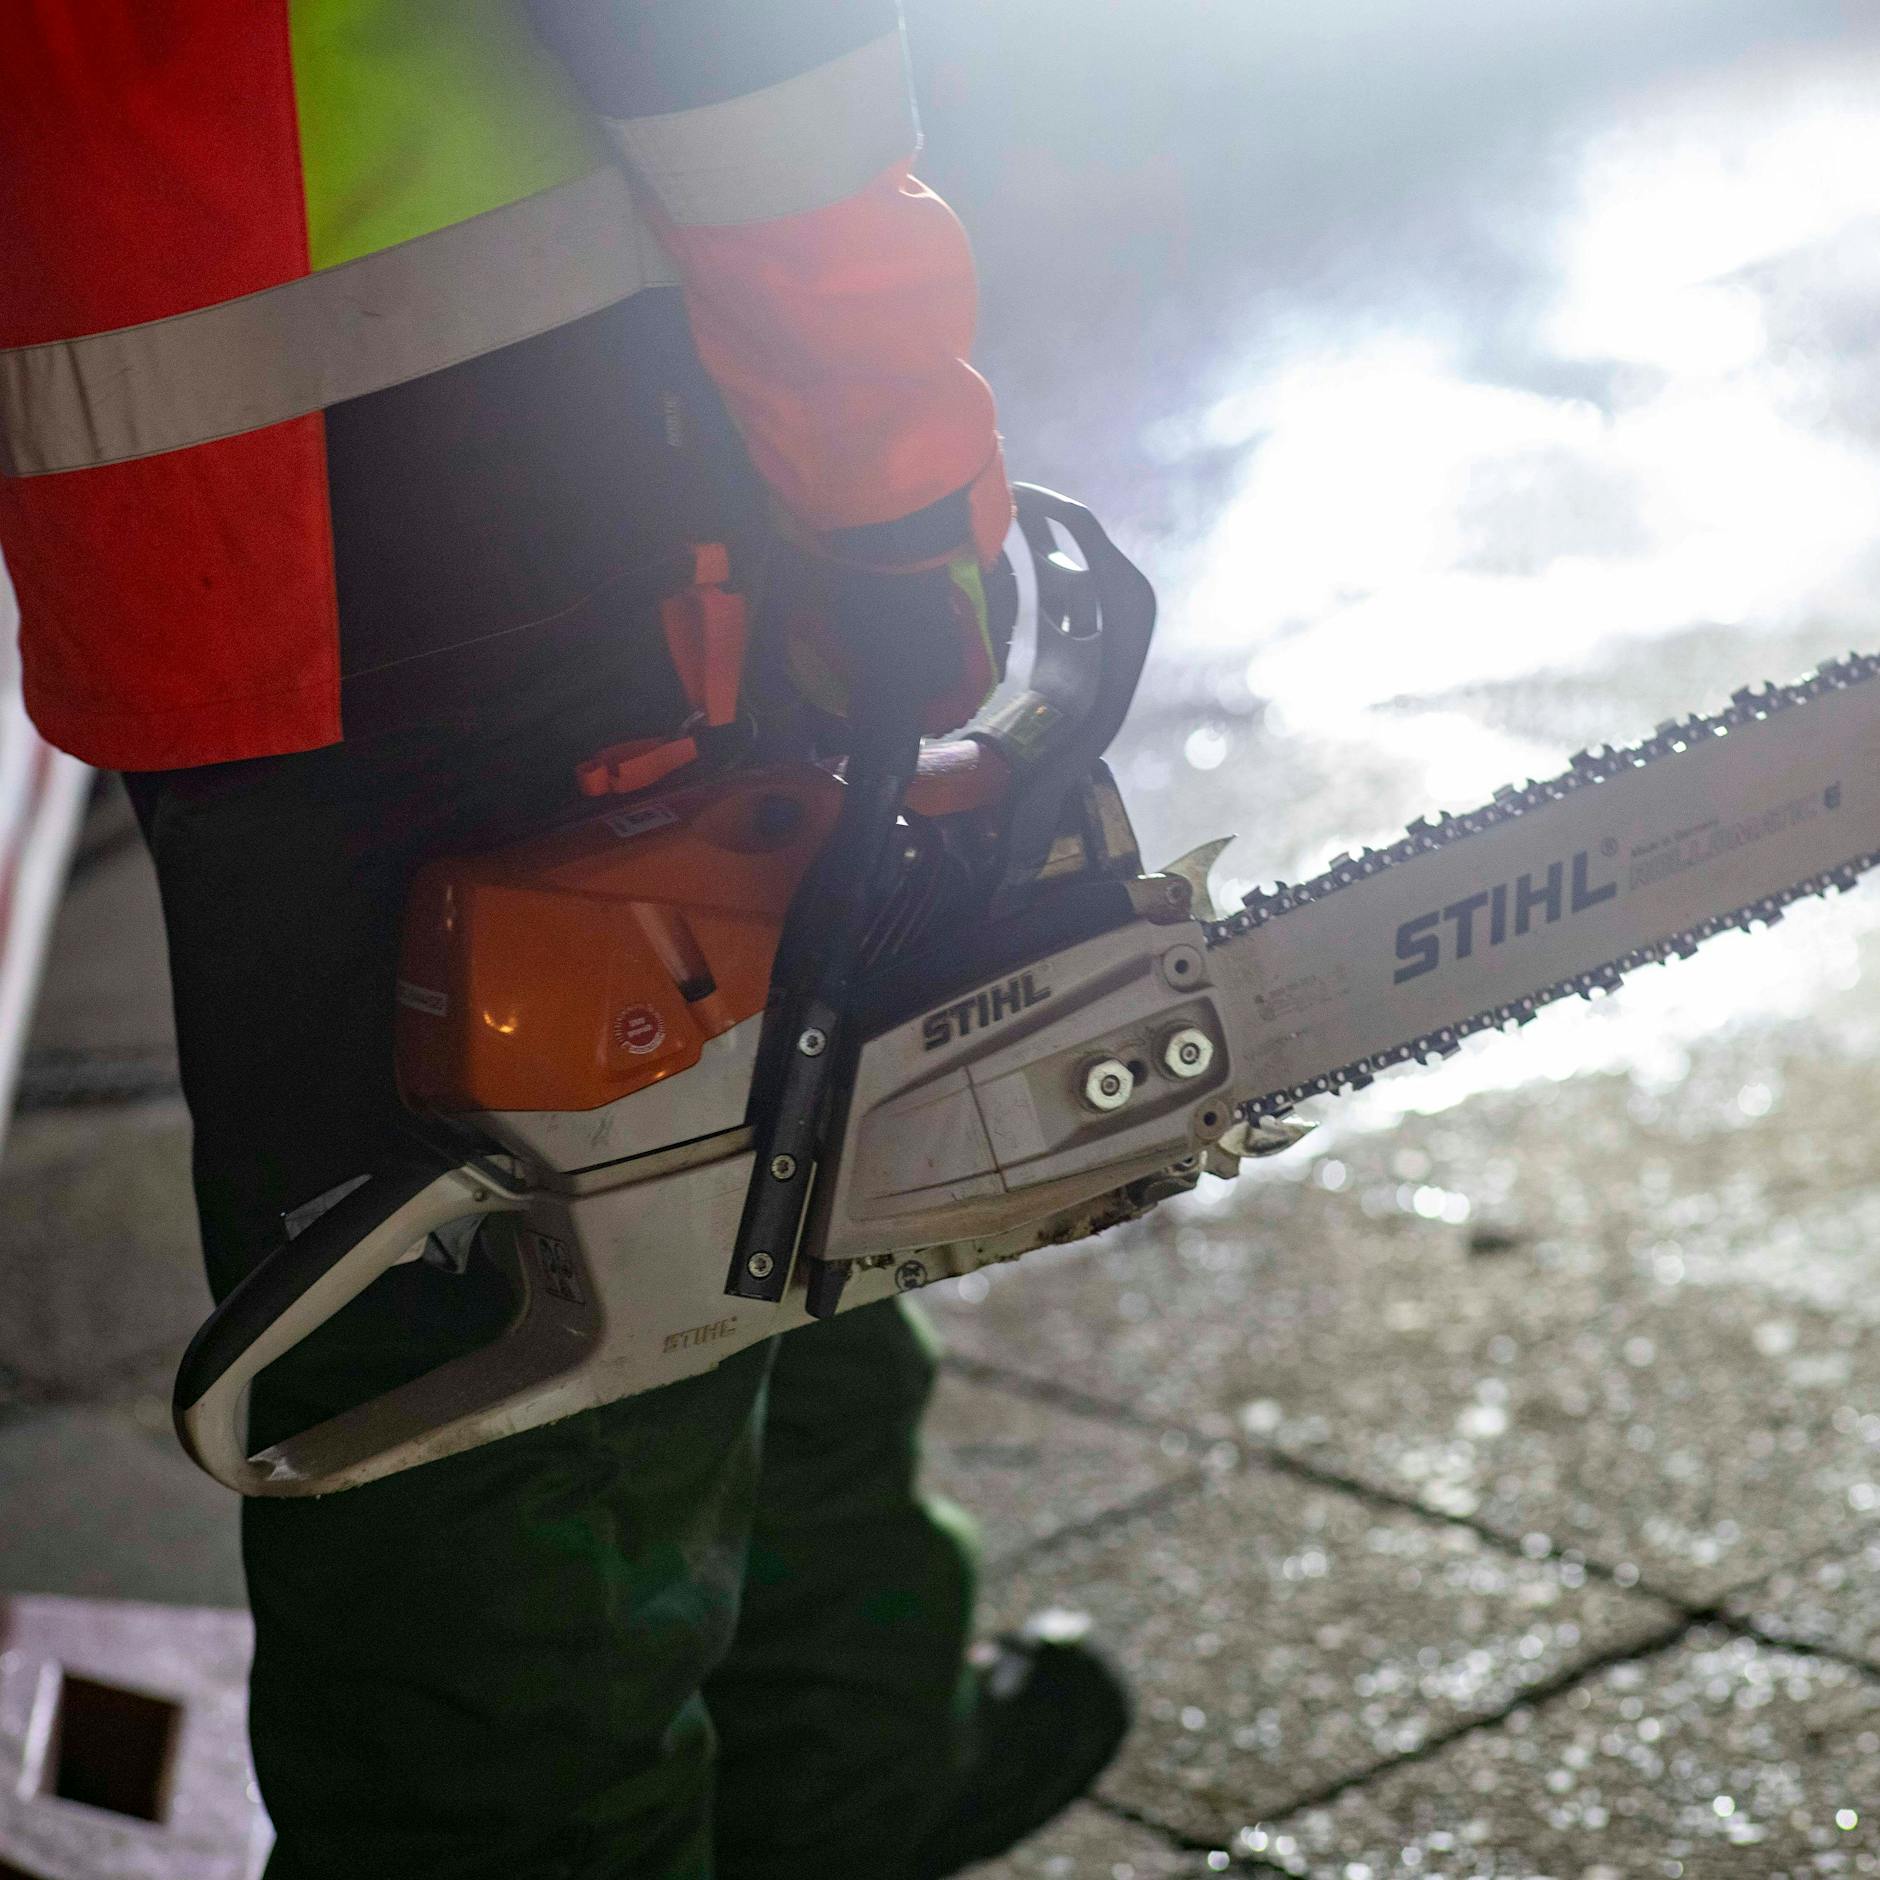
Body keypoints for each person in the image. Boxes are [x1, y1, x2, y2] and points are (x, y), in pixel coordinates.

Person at [0, 4, 1135, 1875]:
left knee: (752, 1177)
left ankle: (850, 1786)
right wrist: (898, 494)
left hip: (205, 535)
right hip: (548, 484)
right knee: (513, 1440)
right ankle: (831, 1790)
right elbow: (740, 64)